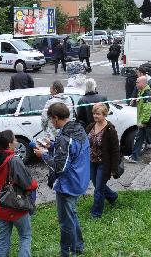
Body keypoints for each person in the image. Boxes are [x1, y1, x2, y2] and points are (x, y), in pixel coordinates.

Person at [34, 103, 90, 257]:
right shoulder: (79, 129)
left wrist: (43, 155)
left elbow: (59, 168)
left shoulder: (65, 138)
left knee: (65, 222)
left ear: (56, 118)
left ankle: (66, 252)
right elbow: (70, 153)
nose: (52, 124)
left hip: (68, 185)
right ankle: (78, 247)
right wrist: (52, 145)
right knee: (72, 215)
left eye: (52, 121)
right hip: (80, 180)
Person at [0, 130, 38, 257]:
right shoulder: (13, 161)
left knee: (3, 238)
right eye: (14, 139)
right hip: (16, 206)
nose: (16, 141)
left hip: (0, 205)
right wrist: (35, 184)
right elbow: (27, 183)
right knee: (25, 236)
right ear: (9, 144)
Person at [85, 103, 119, 218]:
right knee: (97, 184)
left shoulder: (110, 130)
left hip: (103, 163)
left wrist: (113, 169)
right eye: (94, 113)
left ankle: (96, 212)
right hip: (92, 161)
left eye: (98, 114)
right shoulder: (90, 126)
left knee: (98, 189)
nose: (95, 116)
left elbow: (115, 151)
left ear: (104, 114)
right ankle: (112, 196)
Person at [124, 76, 151, 164]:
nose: (136, 84)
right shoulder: (142, 92)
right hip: (143, 122)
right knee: (139, 139)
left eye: (137, 82)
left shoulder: (148, 94)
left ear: (143, 83)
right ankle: (134, 157)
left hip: (149, 122)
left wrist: (143, 122)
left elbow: (147, 110)